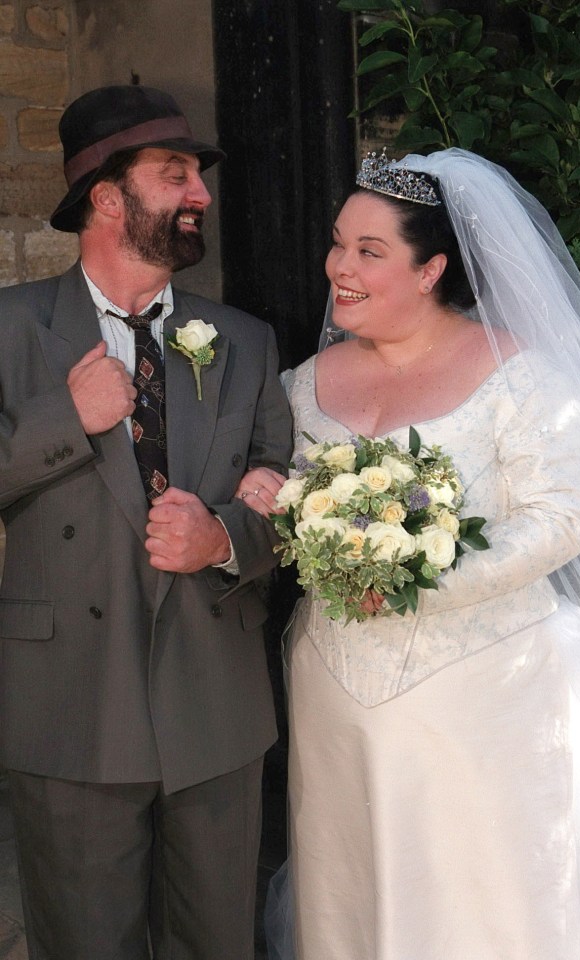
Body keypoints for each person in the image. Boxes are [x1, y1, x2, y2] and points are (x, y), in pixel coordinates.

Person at [235, 148, 580, 960]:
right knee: (349, 885)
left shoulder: (523, 375)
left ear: (430, 268)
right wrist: (270, 504)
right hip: (335, 686)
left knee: (471, 895)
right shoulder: (303, 384)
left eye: (370, 252)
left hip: (485, 691)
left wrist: (412, 582)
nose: (339, 267)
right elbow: (287, 506)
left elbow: (559, 520)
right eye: (338, 243)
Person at [0, 84, 292, 960]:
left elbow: (293, 495)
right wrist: (66, 416)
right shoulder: (9, 328)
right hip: (69, 707)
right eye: (175, 175)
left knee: (217, 945)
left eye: (197, 176)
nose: (200, 193)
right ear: (105, 196)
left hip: (216, 706)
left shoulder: (245, 338)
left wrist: (224, 541)